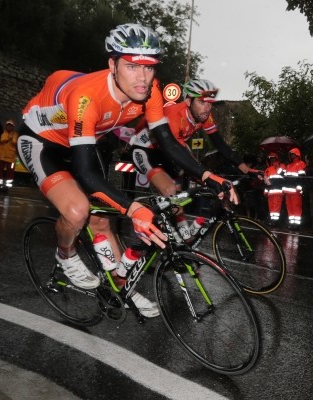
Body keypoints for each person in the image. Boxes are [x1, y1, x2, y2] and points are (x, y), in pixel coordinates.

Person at [16, 24, 233, 318]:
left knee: (103, 220)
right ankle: (64, 254)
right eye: (132, 67)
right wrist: (133, 211)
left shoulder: (150, 92)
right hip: (44, 142)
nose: (142, 78)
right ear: (112, 64)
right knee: (79, 209)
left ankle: (123, 288)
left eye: (149, 68)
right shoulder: (86, 96)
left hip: (85, 140)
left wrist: (206, 175)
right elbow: (86, 174)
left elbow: (167, 143)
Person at [127, 78, 257, 239]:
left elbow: (221, 145)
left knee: (179, 199)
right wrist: (209, 178)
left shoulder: (204, 116)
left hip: (169, 150)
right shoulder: (175, 115)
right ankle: (150, 229)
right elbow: (177, 153)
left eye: (210, 103)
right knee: (170, 190)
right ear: (188, 101)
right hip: (144, 150)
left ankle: (182, 238)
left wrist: (243, 166)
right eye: (202, 102)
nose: (207, 108)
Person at [283, 147, 307, 228]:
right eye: (291, 155)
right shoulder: (289, 165)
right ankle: (291, 223)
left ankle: (296, 224)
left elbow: (302, 177)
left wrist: (299, 186)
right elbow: (285, 178)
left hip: (295, 190)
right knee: (289, 207)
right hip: (288, 190)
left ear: (297, 155)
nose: (292, 156)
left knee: (296, 207)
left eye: (293, 154)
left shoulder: (301, 163)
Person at [0, 119, 19, 190]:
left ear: (13, 127)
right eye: (8, 125)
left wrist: (12, 138)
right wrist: (5, 139)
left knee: (10, 173)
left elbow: (16, 143)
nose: (9, 127)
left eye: (11, 126)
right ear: (6, 126)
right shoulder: (0, 133)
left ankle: (7, 187)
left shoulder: (15, 134)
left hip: (10, 157)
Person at [263, 152, 285, 225]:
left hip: (278, 191)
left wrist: (278, 168)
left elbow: (284, 178)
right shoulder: (268, 169)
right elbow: (266, 181)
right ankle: (272, 220)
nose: (272, 160)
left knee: (276, 207)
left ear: (276, 158)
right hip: (270, 192)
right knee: (271, 207)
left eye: (273, 158)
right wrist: (266, 191)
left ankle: (275, 221)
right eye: (270, 159)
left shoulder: (282, 166)